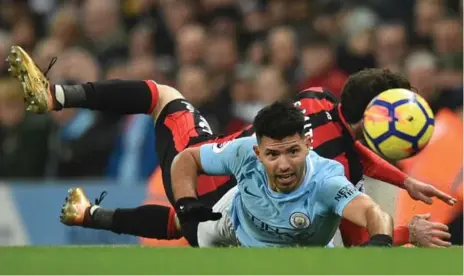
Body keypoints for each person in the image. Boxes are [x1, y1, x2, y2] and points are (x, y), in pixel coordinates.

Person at [6, 46, 455, 247]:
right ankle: (89, 206)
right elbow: (361, 237)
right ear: (377, 122)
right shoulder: (333, 169)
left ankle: (61, 99)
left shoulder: (319, 98)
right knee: (185, 223)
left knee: (162, 97)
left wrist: (404, 178)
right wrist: (404, 232)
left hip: (210, 170)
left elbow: (351, 139)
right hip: (212, 181)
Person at [175, 101, 393, 247]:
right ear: (258, 153)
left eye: (293, 151)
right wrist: (185, 200)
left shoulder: (326, 183)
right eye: (272, 154)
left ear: (308, 145)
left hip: (302, 253)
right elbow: (187, 158)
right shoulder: (242, 152)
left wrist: (380, 243)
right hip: (233, 221)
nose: (284, 165)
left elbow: (373, 213)